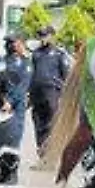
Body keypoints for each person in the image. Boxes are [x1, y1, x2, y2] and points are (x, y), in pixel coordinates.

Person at [0, 34, 32, 185]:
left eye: (12, 42)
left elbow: (21, 87)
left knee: (12, 138)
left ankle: (12, 173)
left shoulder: (25, 63)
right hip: (0, 104)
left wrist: (10, 101)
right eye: (7, 42)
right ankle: (2, 171)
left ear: (20, 44)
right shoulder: (2, 61)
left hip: (14, 106)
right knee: (1, 138)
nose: (9, 45)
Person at [28, 27, 70, 157]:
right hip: (37, 94)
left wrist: (64, 95)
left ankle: (51, 155)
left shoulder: (59, 54)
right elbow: (32, 73)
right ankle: (42, 153)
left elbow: (66, 76)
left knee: (52, 124)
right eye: (41, 36)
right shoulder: (36, 54)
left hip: (52, 93)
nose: (43, 38)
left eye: (45, 35)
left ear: (52, 36)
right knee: (38, 123)